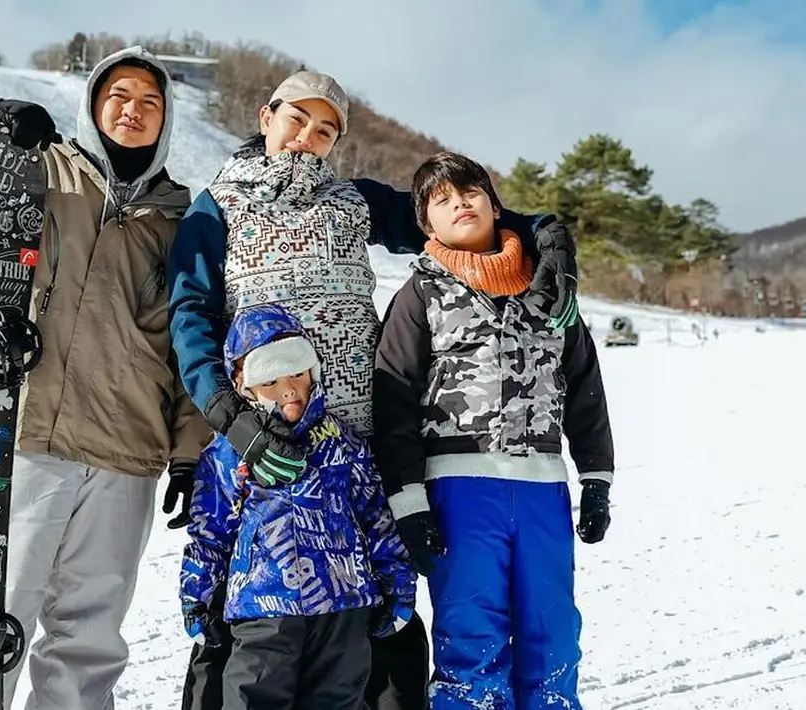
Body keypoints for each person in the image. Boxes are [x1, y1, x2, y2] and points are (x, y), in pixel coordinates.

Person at [167, 69, 582, 710]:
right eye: (296, 119)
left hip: (357, 435)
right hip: (263, 435)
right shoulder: (217, 206)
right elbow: (190, 313)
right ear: (264, 116)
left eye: (326, 129)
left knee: (377, 595)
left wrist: (543, 230)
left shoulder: (351, 201)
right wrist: (227, 417)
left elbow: (452, 219)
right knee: (255, 602)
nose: (308, 136)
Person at [0, 46, 214, 710]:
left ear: (166, 122)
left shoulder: (181, 218)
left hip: (128, 453)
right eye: (120, 96)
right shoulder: (42, 169)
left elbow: (194, 336)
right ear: (94, 105)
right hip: (28, 434)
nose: (133, 110)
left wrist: (190, 455)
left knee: (89, 637)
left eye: (150, 102)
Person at [371, 151, 615, 710]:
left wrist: (596, 478)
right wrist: (408, 502)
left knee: (552, 635)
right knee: (470, 637)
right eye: (441, 199)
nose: (460, 202)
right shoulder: (420, 295)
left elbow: (584, 385)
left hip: (542, 489)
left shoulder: (551, 289)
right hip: (459, 489)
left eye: (470, 191)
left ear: (494, 204)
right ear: (425, 225)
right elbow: (394, 401)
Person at [179, 303, 416, 708]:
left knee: (338, 699)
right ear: (243, 386)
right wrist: (196, 596)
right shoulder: (229, 455)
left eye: (297, 374)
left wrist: (398, 585)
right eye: (270, 379)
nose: (288, 389)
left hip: (344, 606)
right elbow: (209, 531)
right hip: (263, 608)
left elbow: (377, 519)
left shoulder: (342, 443)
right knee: (253, 697)